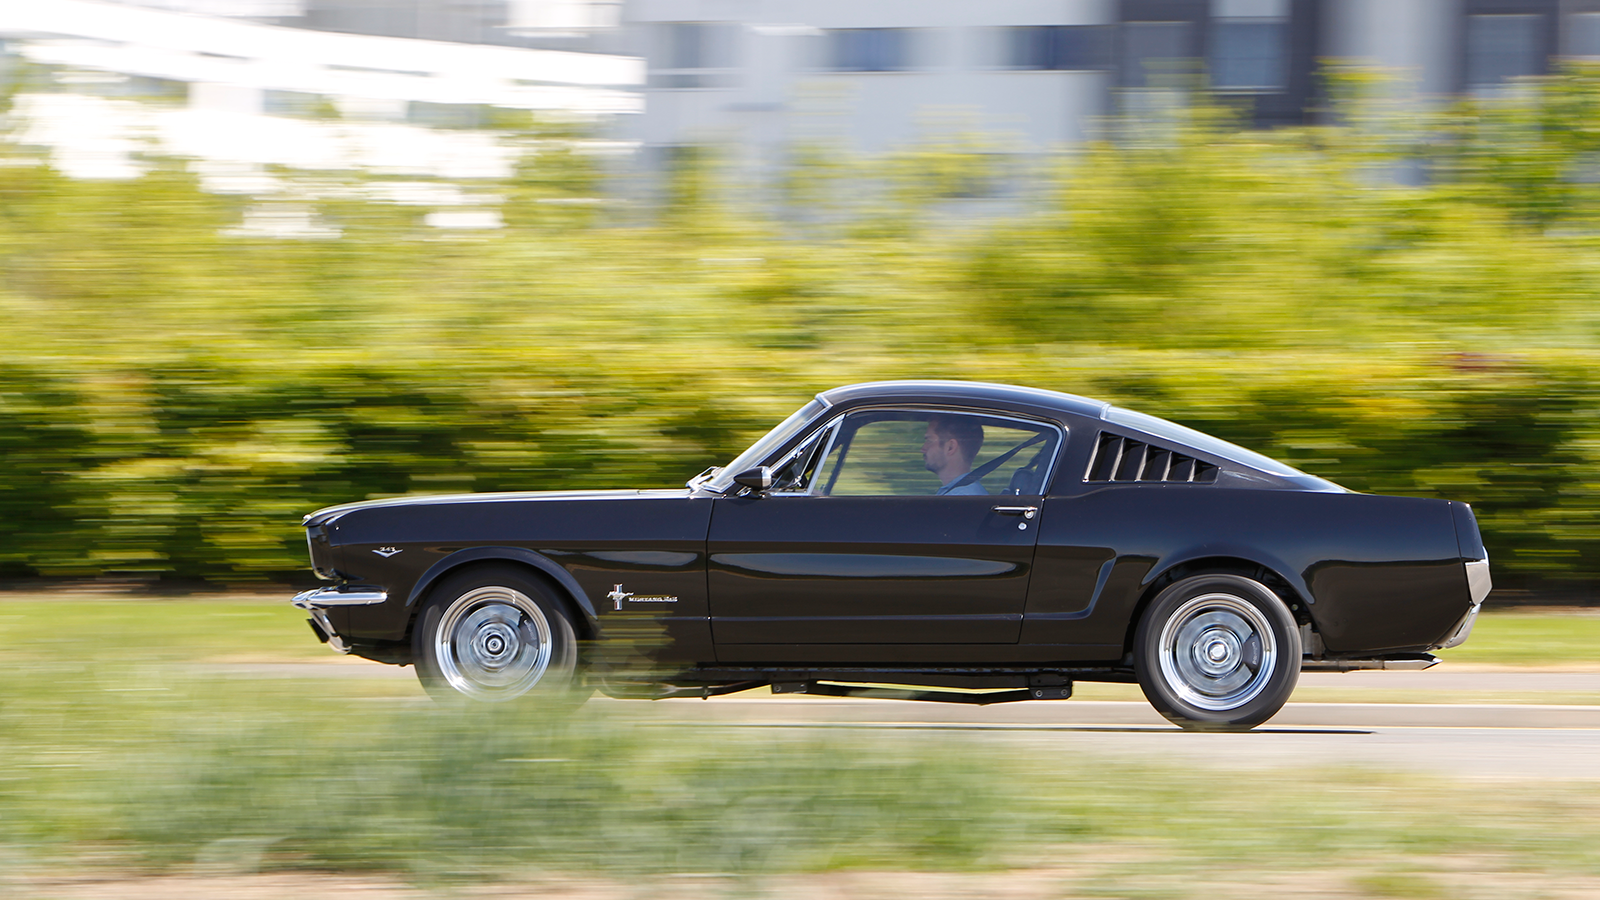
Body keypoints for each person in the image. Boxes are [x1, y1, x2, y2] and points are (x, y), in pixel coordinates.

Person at [921, 415, 987, 495]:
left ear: (950, 447)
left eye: (929, 441)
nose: (923, 449)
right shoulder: (961, 494)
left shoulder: (961, 498)